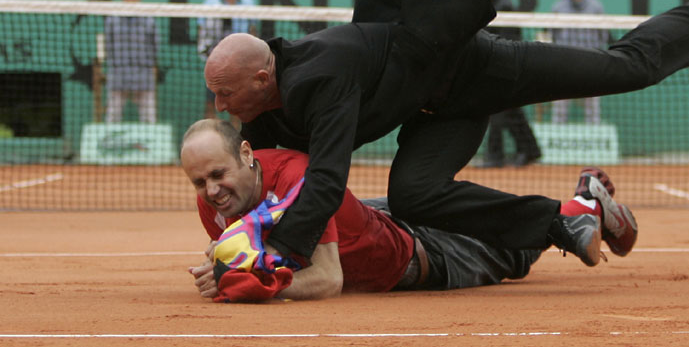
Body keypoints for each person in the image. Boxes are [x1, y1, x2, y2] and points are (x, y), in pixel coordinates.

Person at [202, 0, 689, 267]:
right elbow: (273, 176)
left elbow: (327, 179)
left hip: (482, 70)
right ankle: (563, 219)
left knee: (627, 69)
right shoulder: (266, 105)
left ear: (261, 77)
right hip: (436, 114)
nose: (222, 108)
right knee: (414, 195)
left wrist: (280, 252)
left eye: (226, 94)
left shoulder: (319, 79)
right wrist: (236, 227)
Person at [183, 119, 610, 300]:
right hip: (371, 218)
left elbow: (329, 278)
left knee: (517, 251)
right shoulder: (215, 202)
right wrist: (224, 265)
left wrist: (254, 287)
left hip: (420, 256)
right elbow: (253, 250)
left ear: (246, 154)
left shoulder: (297, 177)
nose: (212, 191)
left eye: (219, 174)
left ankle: (585, 203)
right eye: (200, 182)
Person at [479, 0, 540, 168]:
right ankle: (530, 150)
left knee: (498, 114)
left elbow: (506, 41)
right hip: (494, 68)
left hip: (505, 68)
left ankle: (495, 156)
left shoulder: (505, 6)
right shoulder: (487, 3)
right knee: (513, 113)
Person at [549, 0, 608, 125]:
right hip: (564, 63)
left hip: (590, 62)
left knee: (592, 106)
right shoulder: (558, 7)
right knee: (560, 105)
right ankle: (557, 134)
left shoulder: (595, 7)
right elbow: (552, 34)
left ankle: (594, 134)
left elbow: (602, 35)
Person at [104, 0, 159, 124]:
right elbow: (108, 44)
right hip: (118, 71)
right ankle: (110, 134)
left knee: (148, 113)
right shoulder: (112, 19)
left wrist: (152, 65)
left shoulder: (149, 19)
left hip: (143, 71)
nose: (130, 1)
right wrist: (112, 65)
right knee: (113, 111)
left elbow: (155, 44)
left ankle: (150, 135)